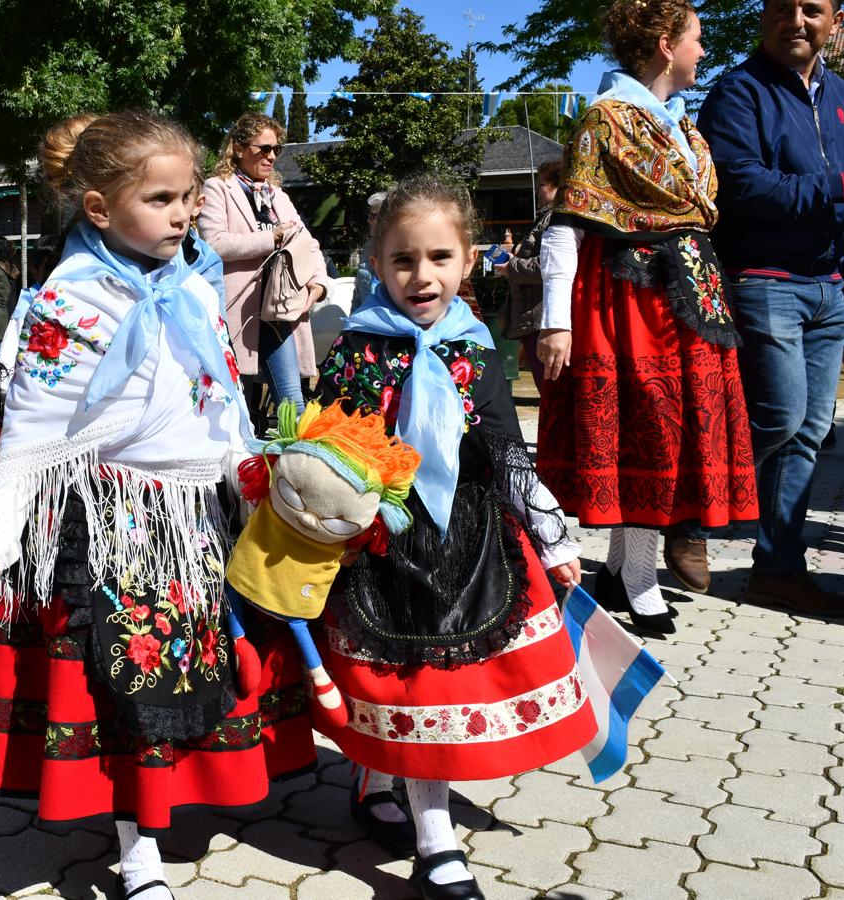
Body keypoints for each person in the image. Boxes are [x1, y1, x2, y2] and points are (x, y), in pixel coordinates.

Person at [0, 111, 314, 900]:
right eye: (160, 199)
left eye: (186, 196)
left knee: (201, 673)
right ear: (98, 209)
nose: (182, 213)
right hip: (115, 526)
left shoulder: (194, 281)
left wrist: (253, 470)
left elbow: (218, 404)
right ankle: (135, 847)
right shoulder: (66, 301)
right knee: (123, 689)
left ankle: (177, 805)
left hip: (197, 523)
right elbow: (31, 433)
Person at [315, 175, 594, 900]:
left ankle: (417, 821)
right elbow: (330, 448)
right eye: (403, 260)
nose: (421, 275)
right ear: (376, 264)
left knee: (433, 686)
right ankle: (426, 834)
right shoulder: (357, 348)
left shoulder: (474, 345)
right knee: (396, 683)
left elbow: (504, 445)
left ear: (468, 261)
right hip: (383, 540)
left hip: (468, 538)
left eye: (439, 257)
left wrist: (551, 534)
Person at [536, 0, 758, 634]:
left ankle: (621, 568)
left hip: (687, 294)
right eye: (697, 40)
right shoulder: (607, 121)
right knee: (649, 432)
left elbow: (699, 207)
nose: (704, 52)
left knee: (674, 436)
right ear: (666, 45)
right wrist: (557, 319)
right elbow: (567, 225)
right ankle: (636, 576)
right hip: (630, 296)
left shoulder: (681, 127)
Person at [697, 0, 844, 611]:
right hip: (765, 279)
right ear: (762, 19)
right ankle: (687, 509)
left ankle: (777, 568)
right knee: (781, 420)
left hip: (830, 284)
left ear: (835, 21)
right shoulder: (737, 93)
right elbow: (741, 184)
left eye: (811, 9)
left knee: (810, 433)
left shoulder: (843, 94)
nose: (797, 20)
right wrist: (839, 186)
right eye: (783, 8)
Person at [199, 111, 330, 429]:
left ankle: (298, 472)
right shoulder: (218, 188)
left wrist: (318, 284)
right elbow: (214, 244)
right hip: (237, 313)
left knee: (293, 403)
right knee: (233, 409)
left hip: (281, 312)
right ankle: (241, 474)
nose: (272, 156)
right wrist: (270, 238)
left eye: (277, 149)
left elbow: (308, 245)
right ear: (240, 148)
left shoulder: (279, 196)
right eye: (263, 148)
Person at [495, 159, 562, 393]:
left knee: (550, 388)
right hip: (533, 315)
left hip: (541, 316)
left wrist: (512, 266)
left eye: (542, 185)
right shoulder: (548, 218)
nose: (537, 191)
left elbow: (550, 265)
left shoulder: (558, 219)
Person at [351, 190, 387, 310]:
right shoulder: (368, 247)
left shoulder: (404, 250)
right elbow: (357, 294)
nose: (368, 221)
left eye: (373, 216)